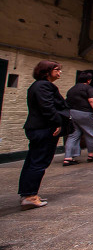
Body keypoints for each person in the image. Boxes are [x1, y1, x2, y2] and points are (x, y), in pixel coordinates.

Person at [19, 60, 70, 210]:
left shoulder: (37, 86)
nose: (59, 72)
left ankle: (27, 193)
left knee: (32, 161)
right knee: (39, 162)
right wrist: (57, 123)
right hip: (44, 128)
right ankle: (30, 196)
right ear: (47, 71)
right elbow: (47, 107)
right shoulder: (44, 86)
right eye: (56, 70)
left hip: (38, 127)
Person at [63, 71, 93, 166]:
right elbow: (92, 100)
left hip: (72, 113)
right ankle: (91, 154)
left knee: (73, 135)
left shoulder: (71, 89)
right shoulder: (88, 88)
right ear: (89, 80)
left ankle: (68, 157)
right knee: (90, 133)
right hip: (85, 113)